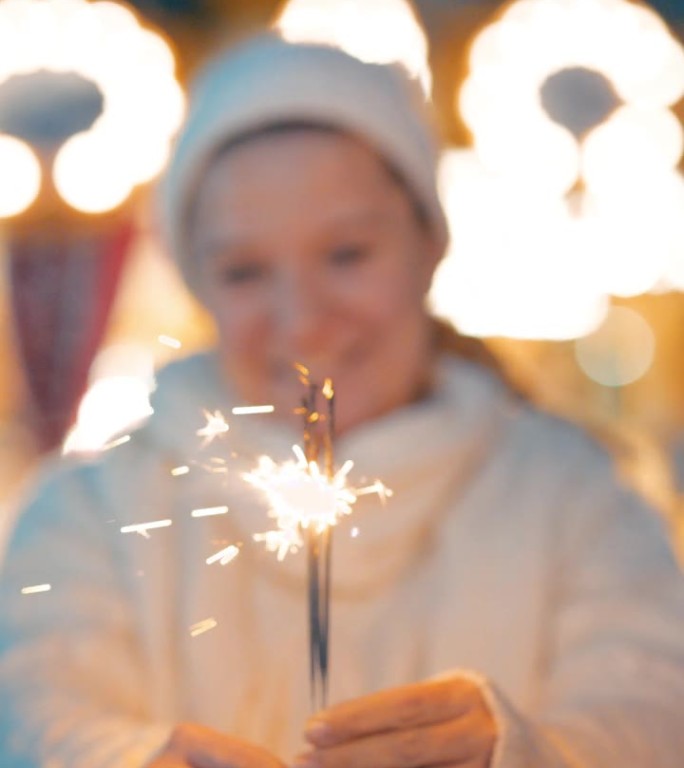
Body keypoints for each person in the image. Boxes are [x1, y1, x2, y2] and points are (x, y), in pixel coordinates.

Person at [1, 32, 684, 768]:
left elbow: (650, 710)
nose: (302, 319)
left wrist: (526, 753)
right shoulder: (88, 514)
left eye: (348, 255)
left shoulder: (575, 497)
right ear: (196, 282)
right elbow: (36, 715)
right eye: (244, 271)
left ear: (429, 245)